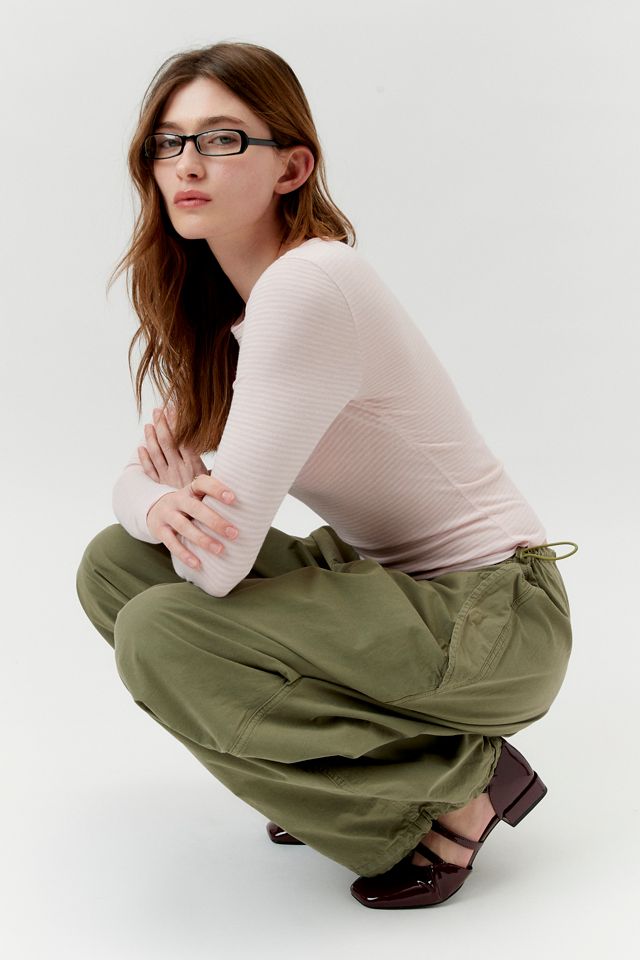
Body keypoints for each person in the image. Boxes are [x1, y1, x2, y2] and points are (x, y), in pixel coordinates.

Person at [75, 39, 578, 909]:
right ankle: (369, 774)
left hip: (494, 618)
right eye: (168, 142)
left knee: (162, 630)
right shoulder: (230, 315)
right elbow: (136, 484)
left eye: (222, 139)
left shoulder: (309, 285)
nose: (186, 163)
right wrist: (158, 509)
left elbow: (217, 565)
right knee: (114, 568)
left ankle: (453, 790)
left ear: (291, 167)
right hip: (386, 595)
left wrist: (173, 505)